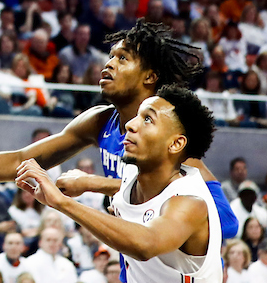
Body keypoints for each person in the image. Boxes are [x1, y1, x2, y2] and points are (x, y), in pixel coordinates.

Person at [0, 21, 238, 240]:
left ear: (150, 77)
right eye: (110, 56)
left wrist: (93, 184)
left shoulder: (169, 128)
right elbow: (20, 161)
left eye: (123, 58)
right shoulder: (99, 121)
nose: (108, 64)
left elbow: (224, 221)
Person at [14, 85, 222, 283]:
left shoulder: (190, 201)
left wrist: (61, 202)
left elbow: (145, 244)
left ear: (176, 143)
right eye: (138, 115)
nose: (131, 124)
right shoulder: (134, 171)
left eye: (148, 119)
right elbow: (124, 187)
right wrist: (88, 182)